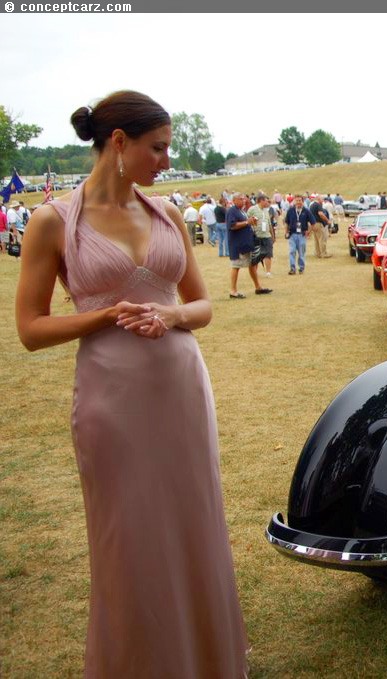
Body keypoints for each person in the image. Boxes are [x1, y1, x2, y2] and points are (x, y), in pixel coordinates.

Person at [13, 90, 247, 676]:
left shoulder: (166, 213)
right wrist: (105, 313)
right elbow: (30, 329)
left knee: (195, 524)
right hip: (112, 401)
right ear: (118, 143)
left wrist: (170, 315)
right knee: (131, 540)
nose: (166, 160)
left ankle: (207, 661)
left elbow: (203, 306)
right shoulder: (51, 222)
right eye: (158, 148)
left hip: (182, 391)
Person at [226, 191, 271, 298]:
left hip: (247, 244)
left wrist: (250, 222)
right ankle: (233, 291)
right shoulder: (232, 211)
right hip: (238, 245)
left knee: (252, 265)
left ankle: (258, 287)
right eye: (240, 199)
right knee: (236, 266)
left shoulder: (241, 211)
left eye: (244, 198)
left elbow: (245, 223)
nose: (244, 200)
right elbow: (232, 226)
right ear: (234, 200)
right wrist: (247, 222)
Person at [285, 194, 314, 274]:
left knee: (301, 253)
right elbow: (286, 222)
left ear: (303, 201)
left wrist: (309, 232)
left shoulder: (306, 211)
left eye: (300, 201)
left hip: (302, 235)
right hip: (292, 234)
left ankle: (301, 268)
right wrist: (286, 232)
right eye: (296, 200)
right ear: (294, 201)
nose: (298, 202)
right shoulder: (290, 210)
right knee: (292, 251)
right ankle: (292, 268)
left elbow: (313, 223)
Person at [249, 193, 274, 276]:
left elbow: (269, 224)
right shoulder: (252, 209)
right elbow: (247, 220)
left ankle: (268, 272)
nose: (268, 203)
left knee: (268, 254)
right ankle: (255, 272)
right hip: (256, 236)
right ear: (261, 201)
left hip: (267, 236)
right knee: (256, 255)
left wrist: (272, 236)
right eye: (266, 201)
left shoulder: (266, 211)